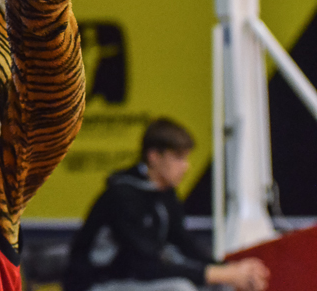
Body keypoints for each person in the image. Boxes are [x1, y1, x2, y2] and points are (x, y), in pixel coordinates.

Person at [64, 118, 271, 291]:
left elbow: (185, 245)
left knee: (224, 285)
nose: (186, 166)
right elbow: (144, 265)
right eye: (178, 158)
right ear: (154, 157)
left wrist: (230, 270)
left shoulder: (166, 194)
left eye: (186, 158)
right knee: (179, 289)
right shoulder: (121, 196)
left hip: (136, 279)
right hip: (98, 283)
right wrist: (221, 274)